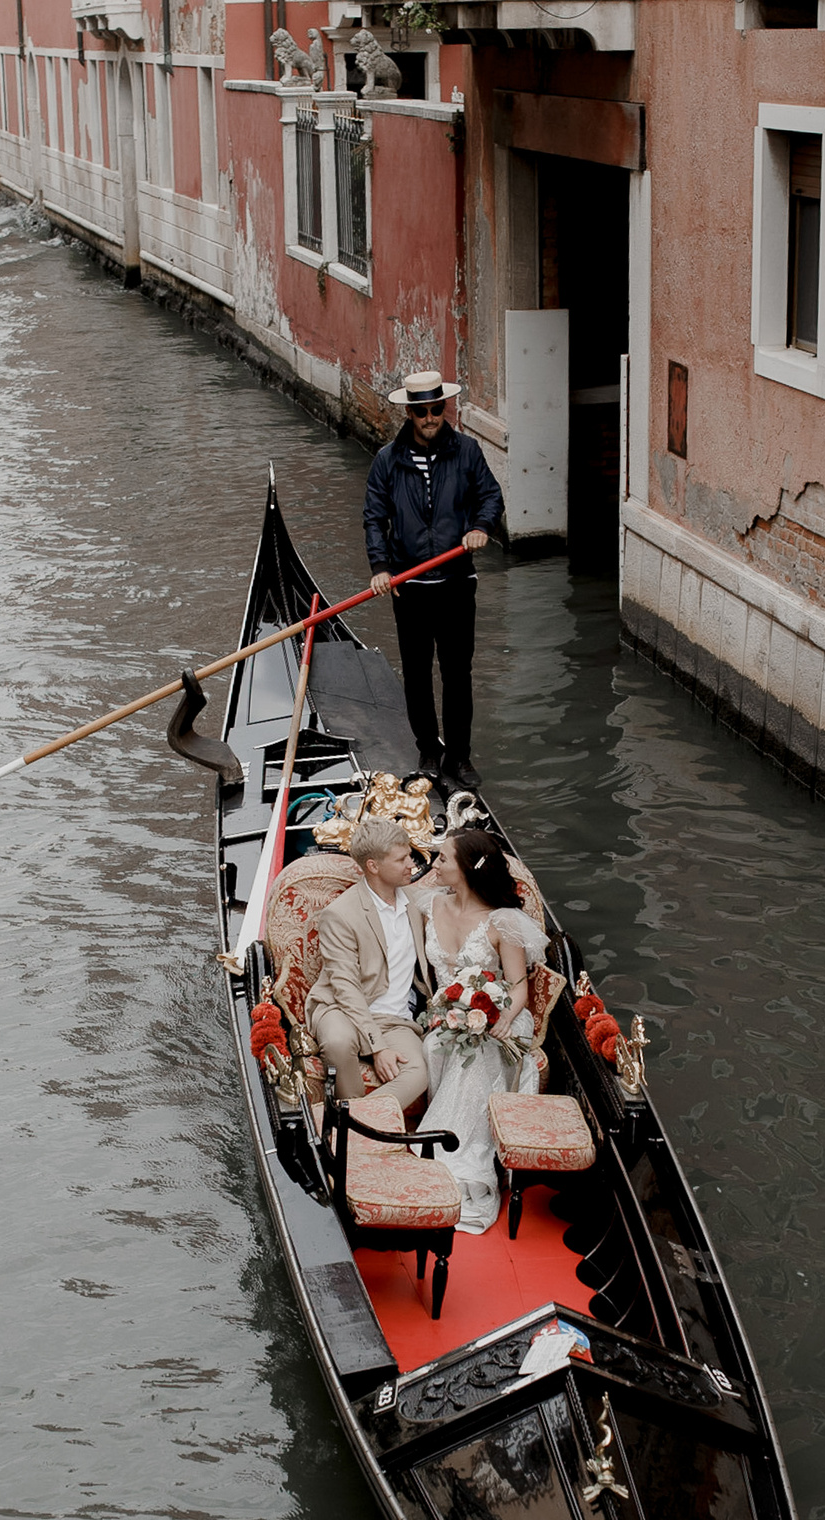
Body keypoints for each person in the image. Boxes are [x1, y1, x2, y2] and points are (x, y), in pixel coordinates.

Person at [364, 371, 504, 792]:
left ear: (444, 407)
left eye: (436, 409)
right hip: (410, 587)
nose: (430, 418)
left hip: (457, 582)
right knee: (417, 672)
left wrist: (481, 525)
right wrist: (380, 566)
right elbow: (374, 517)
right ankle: (428, 750)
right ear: (409, 412)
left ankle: (458, 757)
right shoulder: (388, 460)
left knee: (458, 672)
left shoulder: (467, 451)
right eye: (421, 411)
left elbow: (491, 496)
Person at [416, 826, 546, 1233]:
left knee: (477, 1058)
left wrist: (504, 1018)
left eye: (441, 859)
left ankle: (459, 1165)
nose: (432, 865)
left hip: (501, 1015)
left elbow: (519, 984)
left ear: (467, 870)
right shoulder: (428, 903)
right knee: (436, 1048)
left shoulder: (504, 921)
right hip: (448, 1015)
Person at [310, 819, 432, 1113]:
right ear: (373, 866)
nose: (411, 865)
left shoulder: (416, 902)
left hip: (395, 1018)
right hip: (341, 1009)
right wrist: (378, 1046)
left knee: (419, 1072)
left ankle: (353, 1126)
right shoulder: (340, 915)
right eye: (401, 859)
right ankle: (358, 1128)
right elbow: (345, 987)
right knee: (339, 1043)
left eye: (409, 856)